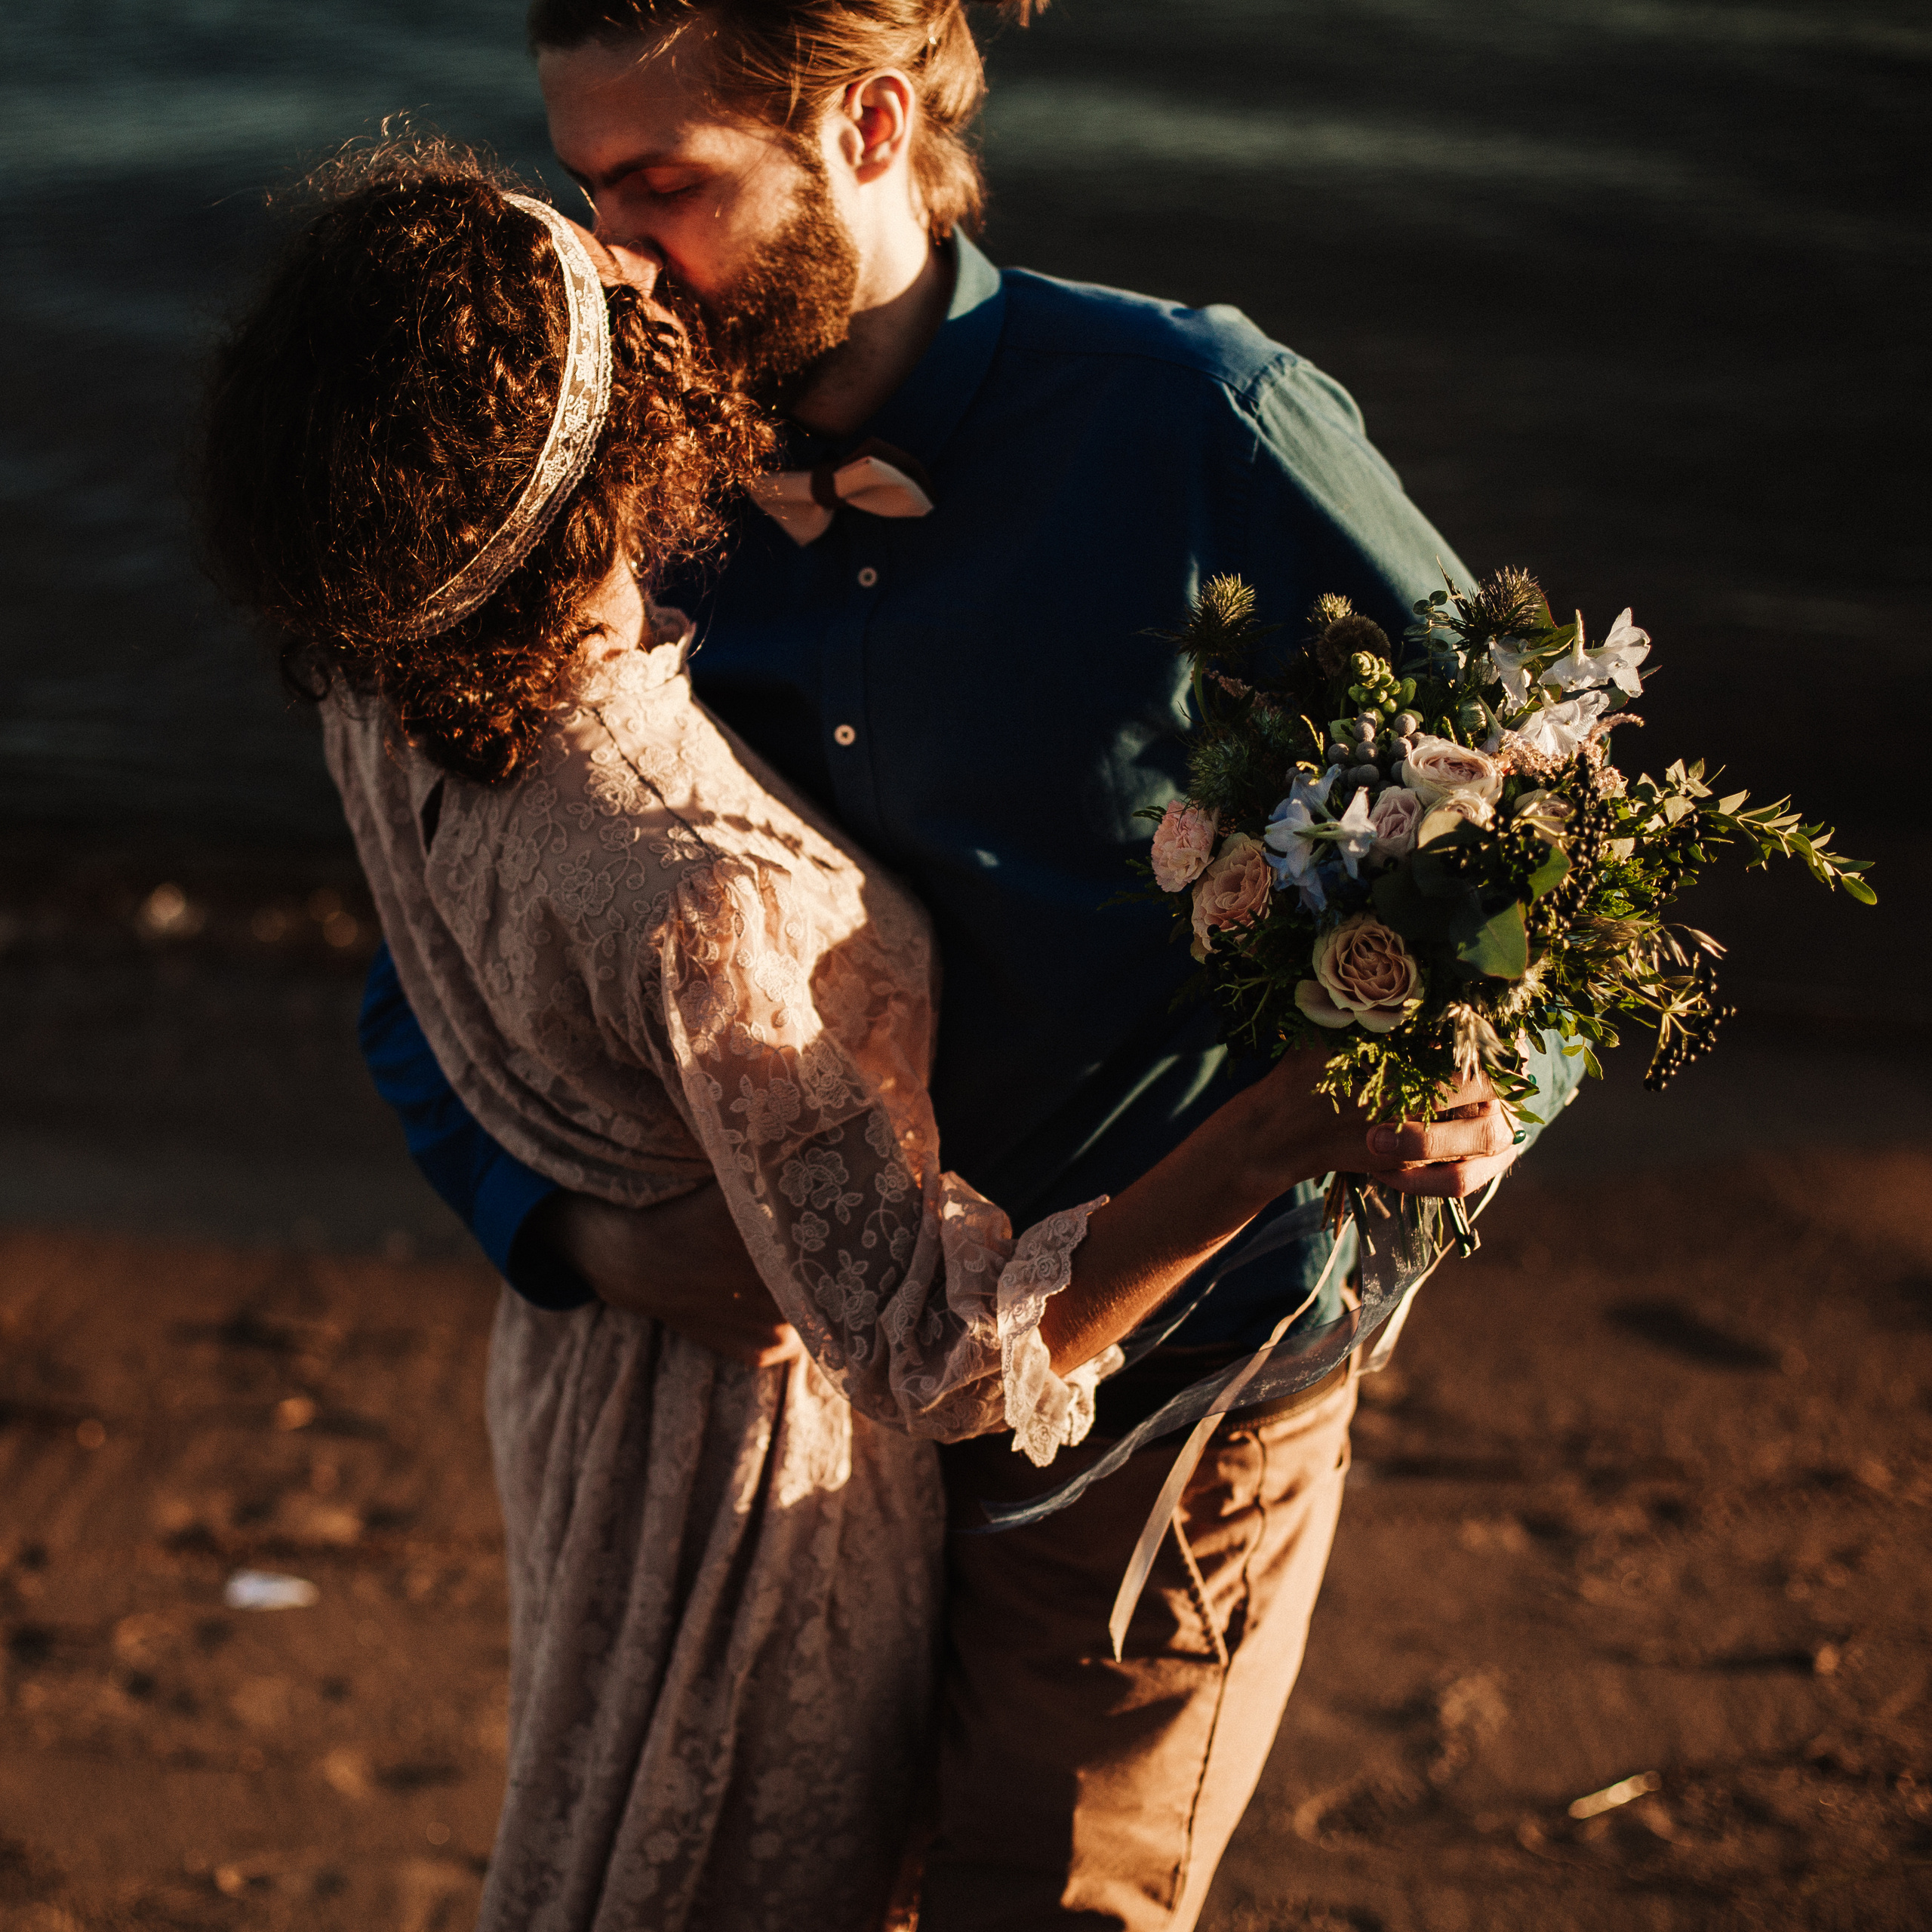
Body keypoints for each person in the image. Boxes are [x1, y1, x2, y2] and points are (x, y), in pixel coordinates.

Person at [351, 3, 1583, 1926]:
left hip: (1173, 1376)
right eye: (582, 189)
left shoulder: (1195, 419)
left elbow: (1534, 807)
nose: (604, 257)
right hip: (808, 1419)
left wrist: (1485, 1076)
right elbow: (434, 933)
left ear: (859, 127)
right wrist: (562, 1229)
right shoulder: (598, 478)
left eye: (659, 187)